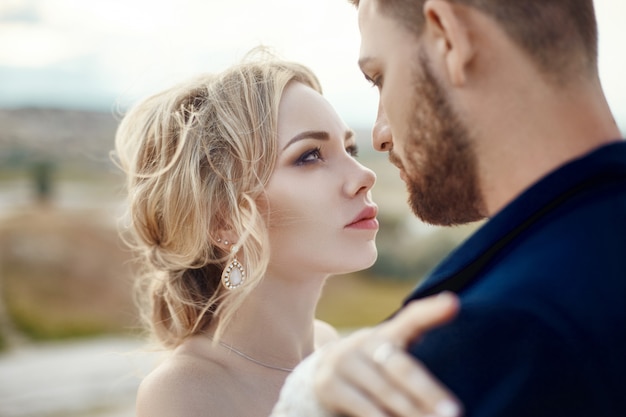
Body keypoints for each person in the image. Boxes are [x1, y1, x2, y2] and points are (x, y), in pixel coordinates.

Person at [271, 0, 626, 416]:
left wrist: (306, 404)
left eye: (379, 78)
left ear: (448, 36)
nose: (382, 134)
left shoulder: (499, 338)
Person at [113, 49, 460, 417]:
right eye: (309, 155)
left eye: (350, 148)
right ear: (223, 221)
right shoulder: (184, 392)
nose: (364, 175)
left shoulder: (329, 345)